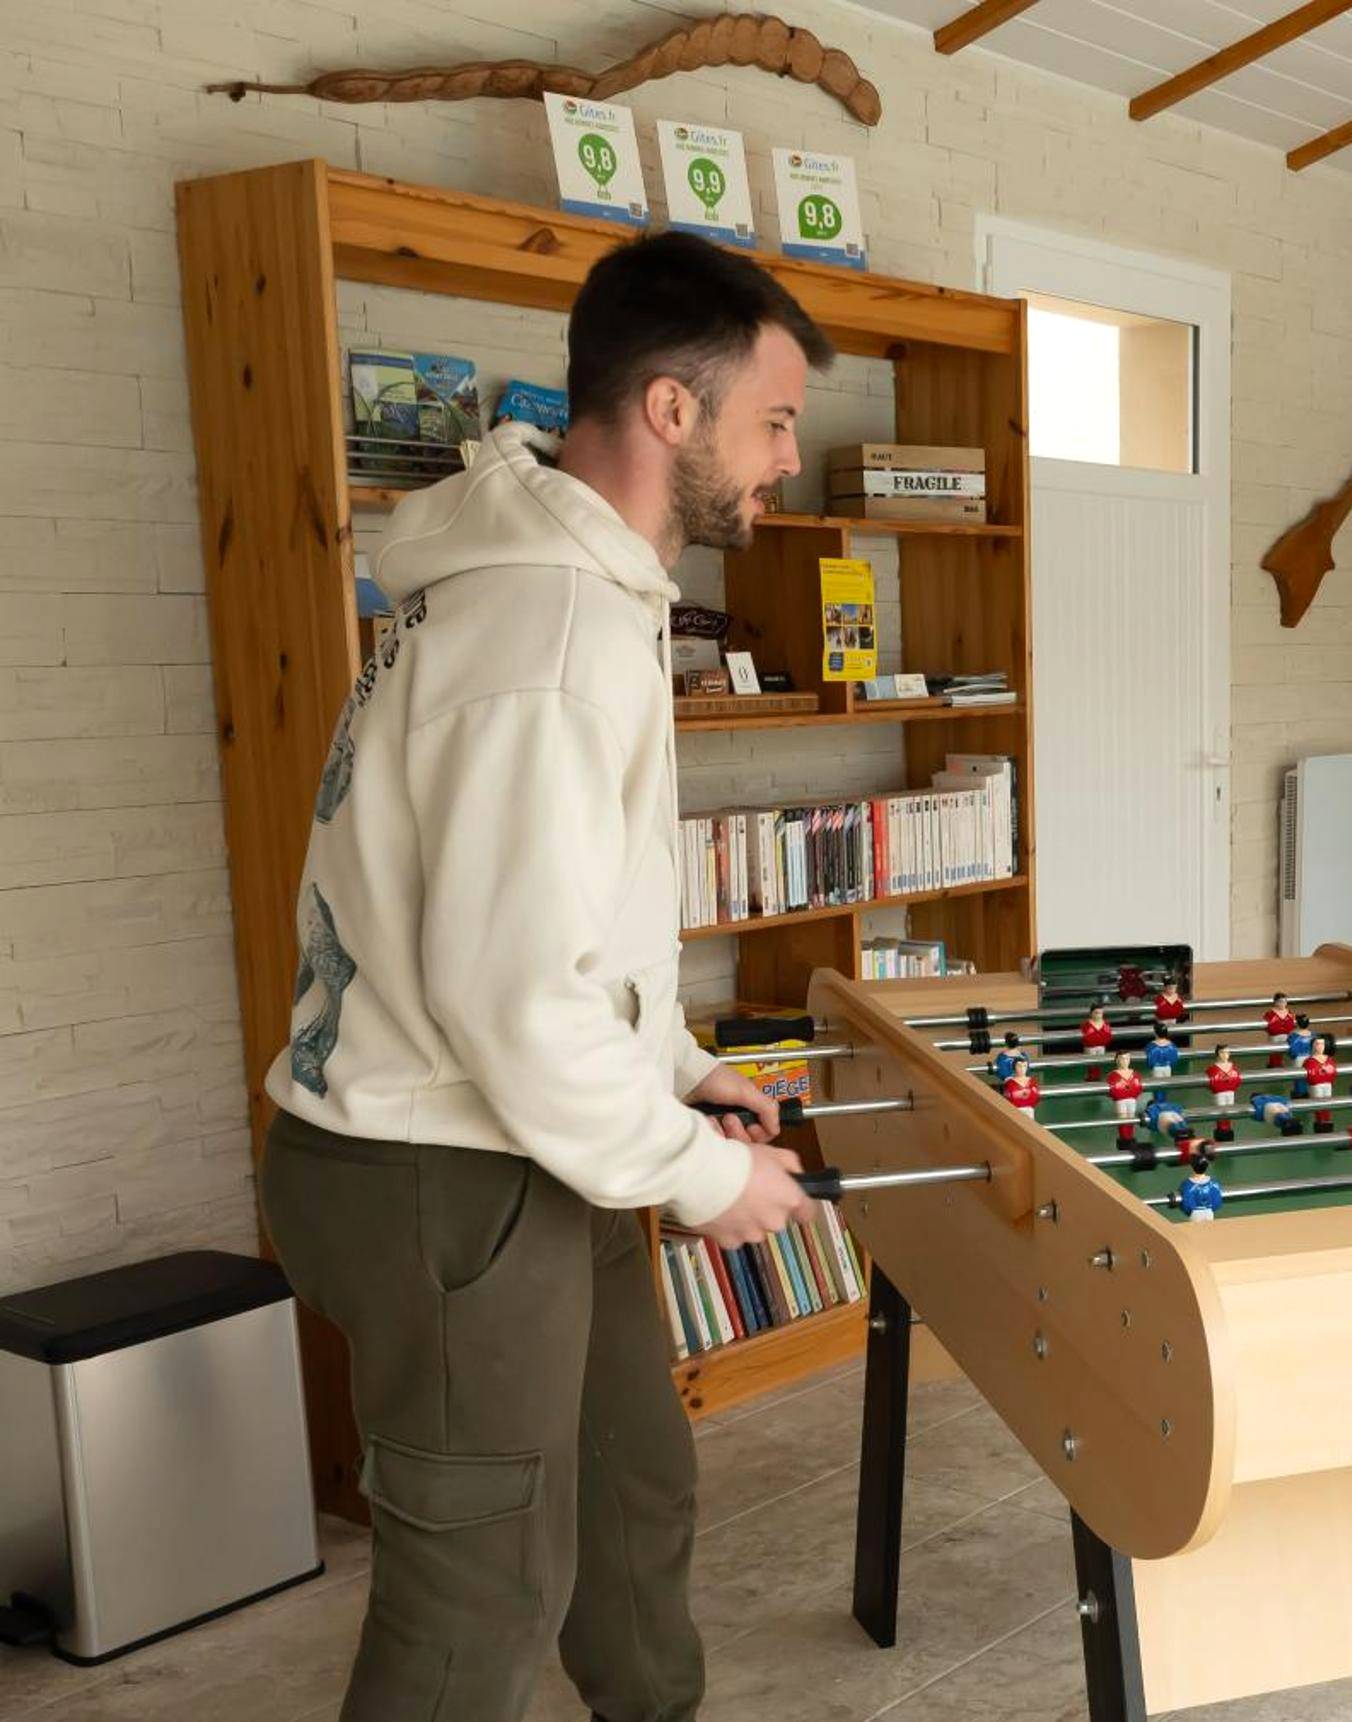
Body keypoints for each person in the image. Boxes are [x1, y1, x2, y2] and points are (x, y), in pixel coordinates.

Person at [255, 232, 836, 1722]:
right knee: (482, 1597)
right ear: (669, 411)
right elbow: (508, 997)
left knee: (633, 1497)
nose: (788, 457)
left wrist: (677, 1069)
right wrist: (708, 1184)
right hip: (444, 1169)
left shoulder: (578, 590)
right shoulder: (551, 630)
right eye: (774, 420)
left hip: (528, 1143)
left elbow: (559, 925)